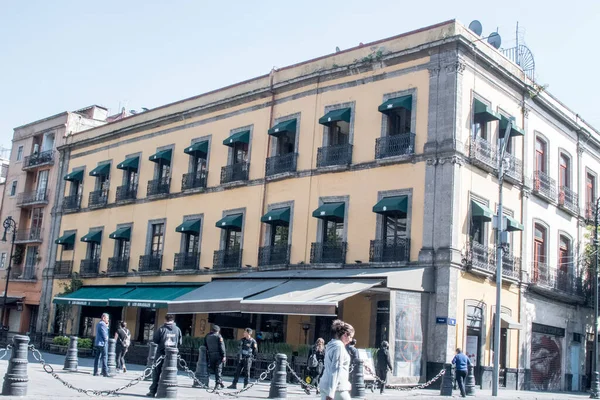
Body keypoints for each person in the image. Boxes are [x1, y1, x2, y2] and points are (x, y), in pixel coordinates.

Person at [146, 314, 182, 398]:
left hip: (161, 353)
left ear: (165, 320)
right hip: (172, 356)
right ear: (172, 320)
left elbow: (155, 340)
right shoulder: (177, 329)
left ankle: (152, 391)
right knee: (170, 374)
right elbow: (180, 342)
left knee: (156, 372)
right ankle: (168, 392)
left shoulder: (161, 329)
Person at [319, 319, 354, 400]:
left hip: (325, 384)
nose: (351, 340)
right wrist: (331, 393)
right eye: (351, 337)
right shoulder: (339, 347)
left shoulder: (330, 344)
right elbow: (336, 368)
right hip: (337, 388)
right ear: (345, 334)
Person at [205, 324, 226, 390]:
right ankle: (217, 384)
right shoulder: (219, 336)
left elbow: (205, 345)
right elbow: (222, 347)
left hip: (211, 355)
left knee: (214, 370)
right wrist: (224, 355)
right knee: (218, 370)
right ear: (218, 331)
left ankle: (220, 382)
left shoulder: (207, 336)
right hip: (218, 355)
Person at [93, 313, 109, 377]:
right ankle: (105, 372)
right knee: (104, 357)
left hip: (98, 343)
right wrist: (106, 339)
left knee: (97, 357)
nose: (108, 319)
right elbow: (104, 334)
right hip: (102, 343)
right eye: (107, 318)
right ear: (103, 318)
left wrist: (107, 326)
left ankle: (95, 371)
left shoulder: (98, 324)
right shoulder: (103, 324)